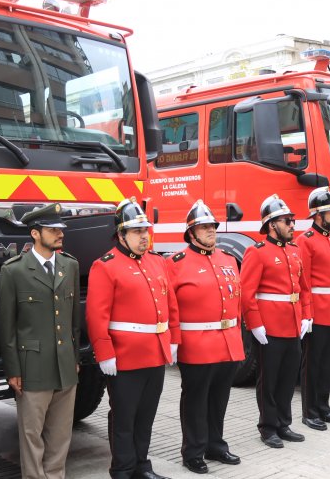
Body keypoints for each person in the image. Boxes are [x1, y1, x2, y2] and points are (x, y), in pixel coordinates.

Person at [87, 198, 177, 479]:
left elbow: (170, 304)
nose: (144, 237)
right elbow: (96, 315)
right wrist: (105, 353)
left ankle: (141, 465)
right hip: (124, 356)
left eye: (145, 231)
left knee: (146, 415)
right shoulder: (105, 266)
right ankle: (123, 469)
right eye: (137, 232)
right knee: (124, 417)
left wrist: (172, 340)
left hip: (155, 352)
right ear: (121, 235)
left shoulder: (157, 262)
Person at [0, 204, 81, 479]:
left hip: (65, 366)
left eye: (61, 229)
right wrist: (13, 370)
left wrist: (75, 359)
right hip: (32, 367)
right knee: (31, 436)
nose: (60, 234)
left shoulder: (70, 265)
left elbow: (73, 320)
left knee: (60, 434)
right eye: (52, 230)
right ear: (35, 233)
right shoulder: (14, 271)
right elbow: (7, 327)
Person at [168, 200, 244, 474]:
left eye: (212, 225)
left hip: (227, 342)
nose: (211, 230)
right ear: (191, 233)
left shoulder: (227, 259)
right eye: (204, 227)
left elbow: (237, 299)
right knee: (196, 400)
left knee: (219, 398)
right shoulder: (176, 263)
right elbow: (169, 306)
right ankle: (193, 450)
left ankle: (216, 444)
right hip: (196, 344)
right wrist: (173, 341)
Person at [241, 194, 312, 448]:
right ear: (272, 224)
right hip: (269, 327)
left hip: (293, 326)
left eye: (292, 220)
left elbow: (304, 288)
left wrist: (307, 315)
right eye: (287, 221)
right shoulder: (256, 252)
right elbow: (247, 293)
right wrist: (255, 324)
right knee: (268, 381)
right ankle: (268, 426)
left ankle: (284, 423)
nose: (293, 225)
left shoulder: (294, 251)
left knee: (287, 378)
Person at [297, 188, 330, 430]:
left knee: (327, 363)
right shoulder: (305, 241)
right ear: (318, 215)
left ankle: (324, 406)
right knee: (313, 363)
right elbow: (303, 281)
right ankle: (309, 411)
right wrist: (306, 314)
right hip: (316, 309)